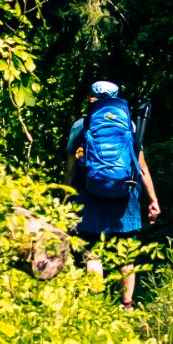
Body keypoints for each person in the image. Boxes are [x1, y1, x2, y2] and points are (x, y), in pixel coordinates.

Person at [64, 79, 160, 308]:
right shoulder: (130, 126)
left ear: (91, 98)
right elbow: (142, 168)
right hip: (124, 196)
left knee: (93, 254)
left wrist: (66, 198)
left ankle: (95, 307)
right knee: (125, 255)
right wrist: (153, 200)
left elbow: (69, 169)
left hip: (89, 194)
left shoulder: (81, 125)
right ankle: (127, 306)